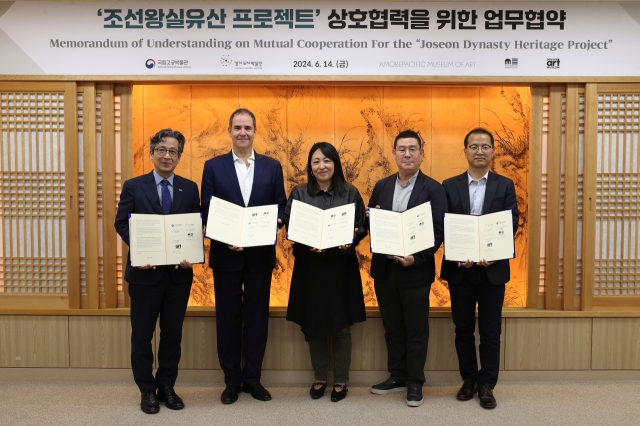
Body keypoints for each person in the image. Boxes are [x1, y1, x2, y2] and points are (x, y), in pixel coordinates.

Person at [201, 108, 287, 404]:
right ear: (229, 131)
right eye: (237, 127)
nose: (242, 132)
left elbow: (281, 207)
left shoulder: (272, 167)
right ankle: (231, 381)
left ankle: (252, 378)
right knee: (227, 318)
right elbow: (207, 210)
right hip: (225, 256)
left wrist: (271, 225)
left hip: (259, 256)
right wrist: (228, 238)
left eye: (247, 127)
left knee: (256, 318)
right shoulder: (213, 167)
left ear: (254, 131)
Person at [114, 129, 200, 414]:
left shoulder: (189, 188)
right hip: (144, 275)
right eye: (161, 149)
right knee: (142, 334)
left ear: (179, 156)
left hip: (178, 276)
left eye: (173, 151)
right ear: (151, 153)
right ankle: (147, 390)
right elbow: (121, 223)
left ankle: (167, 386)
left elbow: (192, 227)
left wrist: (190, 252)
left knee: (172, 335)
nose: (167, 155)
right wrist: (140, 251)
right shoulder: (133, 186)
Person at [440, 128, 519, 409]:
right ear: (465, 151)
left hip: (491, 269)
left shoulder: (505, 185)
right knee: (462, 329)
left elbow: (511, 222)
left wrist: (494, 253)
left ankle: (487, 384)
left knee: (490, 330)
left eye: (485, 146)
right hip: (460, 269)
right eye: (473, 146)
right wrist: (457, 253)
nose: (479, 151)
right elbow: (444, 223)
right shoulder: (448, 185)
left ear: (493, 151)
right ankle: (468, 380)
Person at [367, 130, 446, 407]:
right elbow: (372, 221)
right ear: (394, 153)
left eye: (413, 149)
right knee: (392, 328)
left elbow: (438, 232)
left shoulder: (434, 188)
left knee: (415, 329)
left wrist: (418, 257)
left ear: (422, 153)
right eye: (402, 149)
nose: (407, 154)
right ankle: (397, 376)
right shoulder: (382, 185)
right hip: (385, 271)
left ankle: (415, 382)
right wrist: (370, 218)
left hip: (415, 270)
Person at [284, 142, 367, 402]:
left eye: (327, 160)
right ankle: (320, 378)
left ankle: (341, 380)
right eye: (316, 161)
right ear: (310, 166)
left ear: (336, 164)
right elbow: (290, 226)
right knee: (315, 324)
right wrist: (304, 240)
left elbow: (361, 227)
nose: (322, 166)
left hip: (340, 267)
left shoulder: (350, 192)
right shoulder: (299, 193)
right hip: (310, 268)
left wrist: (353, 237)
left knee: (341, 326)